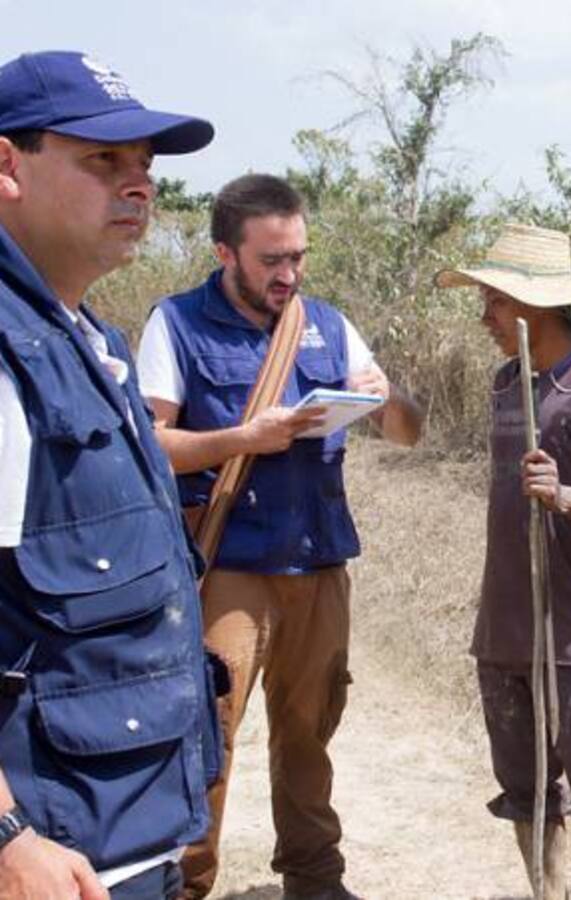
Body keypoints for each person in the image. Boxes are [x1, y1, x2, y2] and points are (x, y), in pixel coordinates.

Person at [137, 174, 426, 900]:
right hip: (229, 565)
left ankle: (314, 878)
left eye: (297, 256)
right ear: (225, 253)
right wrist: (244, 438)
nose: (288, 274)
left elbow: (408, 433)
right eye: (271, 260)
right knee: (211, 735)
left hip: (320, 562)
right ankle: (186, 884)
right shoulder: (175, 325)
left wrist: (387, 399)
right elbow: (145, 446)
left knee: (311, 731)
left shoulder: (329, 322)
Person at [0, 50, 218, 899]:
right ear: (8, 165)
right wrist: (9, 840)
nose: (139, 186)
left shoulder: (88, 343)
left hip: (122, 839)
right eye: (103, 161)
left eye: (145, 167)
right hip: (55, 863)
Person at [434, 223, 571, 900]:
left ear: (533, 307)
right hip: (503, 626)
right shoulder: (509, 384)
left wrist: (563, 495)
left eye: (495, 303)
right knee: (525, 786)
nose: (485, 319)